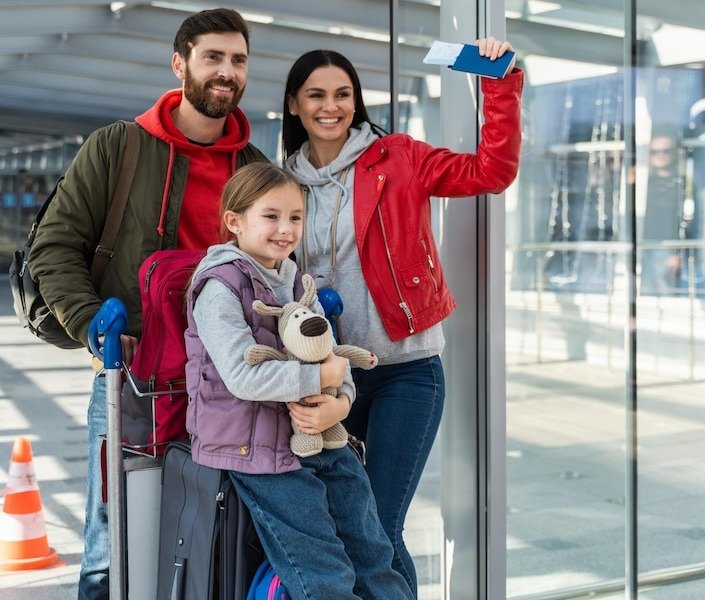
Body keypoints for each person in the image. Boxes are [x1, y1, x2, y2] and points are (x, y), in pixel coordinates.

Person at [27, 8, 266, 599]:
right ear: (179, 63)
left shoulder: (256, 170)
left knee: (216, 535)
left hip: (226, 385)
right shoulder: (119, 147)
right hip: (132, 381)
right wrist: (90, 326)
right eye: (212, 57)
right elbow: (54, 247)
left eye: (237, 60)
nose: (226, 72)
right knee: (114, 543)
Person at [280, 40, 523, 594]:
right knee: (350, 529)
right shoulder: (281, 182)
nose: (330, 106)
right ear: (294, 104)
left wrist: (502, 81)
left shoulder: (398, 157)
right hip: (329, 377)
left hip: (404, 372)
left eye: (343, 94)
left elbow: (491, 170)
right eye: (315, 94)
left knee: (378, 529)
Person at [185, 162, 413, 600]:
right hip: (257, 451)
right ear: (235, 221)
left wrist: (341, 403)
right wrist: (321, 375)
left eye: (295, 217)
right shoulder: (219, 287)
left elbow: (335, 358)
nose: (285, 229)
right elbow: (242, 376)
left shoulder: (294, 280)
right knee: (322, 570)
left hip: (320, 436)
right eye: (271, 216)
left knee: (372, 554)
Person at [640, 129, 686, 295]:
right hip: (641, 244)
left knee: (665, 293)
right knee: (644, 292)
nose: (661, 155)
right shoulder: (644, 182)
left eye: (666, 151)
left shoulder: (680, 183)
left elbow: (684, 220)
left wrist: (677, 252)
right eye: (655, 152)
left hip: (666, 248)